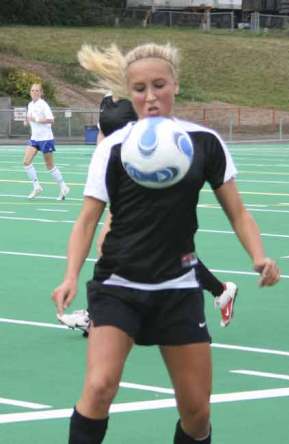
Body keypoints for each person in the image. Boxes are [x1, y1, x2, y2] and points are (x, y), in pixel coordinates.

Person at [52, 42, 280, 444]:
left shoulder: (205, 142)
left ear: (176, 84)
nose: (150, 96)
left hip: (177, 288)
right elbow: (87, 219)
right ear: (129, 92)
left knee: (197, 413)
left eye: (159, 85)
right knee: (100, 385)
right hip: (119, 284)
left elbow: (238, 212)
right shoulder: (113, 147)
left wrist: (258, 255)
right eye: (139, 88)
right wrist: (70, 275)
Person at [57, 88, 237, 333]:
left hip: (139, 184)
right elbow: (103, 135)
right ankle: (221, 289)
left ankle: (96, 315)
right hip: (115, 179)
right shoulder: (106, 101)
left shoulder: (136, 101)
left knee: (111, 246)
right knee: (166, 251)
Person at [23, 83, 70, 200]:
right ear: (30, 92)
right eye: (32, 90)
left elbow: (51, 119)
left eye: (37, 91)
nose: (34, 92)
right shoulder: (30, 104)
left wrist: (37, 119)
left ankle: (63, 186)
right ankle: (36, 186)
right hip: (34, 138)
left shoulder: (43, 105)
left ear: (41, 93)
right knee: (26, 162)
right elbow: (29, 117)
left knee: (49, 166)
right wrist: (27, 120)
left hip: (46, 139)